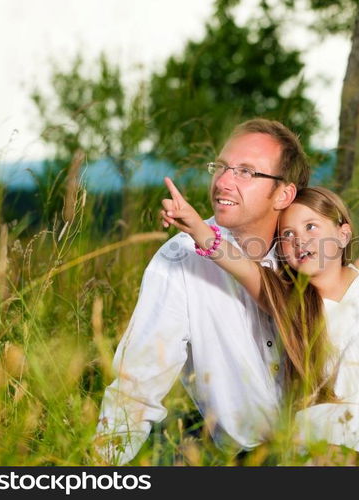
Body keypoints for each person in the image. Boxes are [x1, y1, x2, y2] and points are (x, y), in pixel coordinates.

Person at [95, 119, 309, 464]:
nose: (223, 181)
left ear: (284, 194)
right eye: (221, 167)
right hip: (238, 459)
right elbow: (137, 385)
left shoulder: (310, 252)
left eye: (245, 172)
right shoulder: (180, 258)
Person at [160, 182, 359, 459]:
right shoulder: (292, 303)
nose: (300, 241)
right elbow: (238, 263)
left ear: (343, 233)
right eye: (287, 235)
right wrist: (196, 227)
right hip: (339, 421)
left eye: (311, 227)